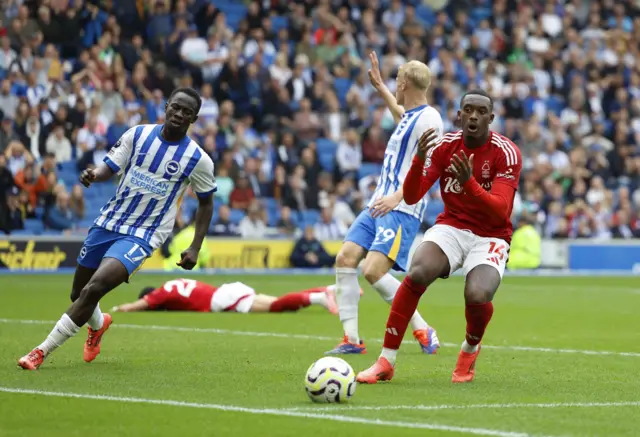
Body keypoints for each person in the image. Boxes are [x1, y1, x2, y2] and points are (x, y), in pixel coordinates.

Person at [18, 87, 217, 370]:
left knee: (94, 289)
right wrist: (93, 175)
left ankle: (40, 351)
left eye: (187, 112)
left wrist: (195, 246)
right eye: (176, 107)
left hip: (145, 233)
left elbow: (206, 203)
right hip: (109, 221)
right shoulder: (138, 135)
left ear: (194, 119)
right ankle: (98, 325)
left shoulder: (199, 160)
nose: (179, 114)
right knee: (79, 293)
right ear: (166, 106)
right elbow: (109, 167)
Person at [357, 89, 522, 384]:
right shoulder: (445, 146)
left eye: (481, 112)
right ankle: (386, 360)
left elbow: (501, 211)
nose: (473, 116)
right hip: (452, 226)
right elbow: (411, 195)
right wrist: (419, 160)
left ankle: (469, 349)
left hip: (491, 236)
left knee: (477, 294)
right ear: (459, 115)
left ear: (491, 118)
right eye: (467, 110)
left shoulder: (505, 152)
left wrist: (469, 183)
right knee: (418, 271)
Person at [326, 52, 444, 355]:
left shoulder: (430, 119)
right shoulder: (411, 117)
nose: (395, 86)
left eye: (396, 80)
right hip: (379, 203)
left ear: (404, 83)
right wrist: (380, 87)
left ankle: (422, 327)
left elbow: (432, 168)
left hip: (401, 207)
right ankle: (352, 340)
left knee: (373, 270)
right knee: (345, 259)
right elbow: (399, 113)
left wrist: (398, 196)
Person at [111, 278, 339, 315]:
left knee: (276, 306)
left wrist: (122, 308)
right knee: (279, 302)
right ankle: (329, 288)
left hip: (222, 299)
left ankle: (319, 299)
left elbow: (142, 303)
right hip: (227, 290)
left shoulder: (160, 293)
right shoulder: (173, 283)